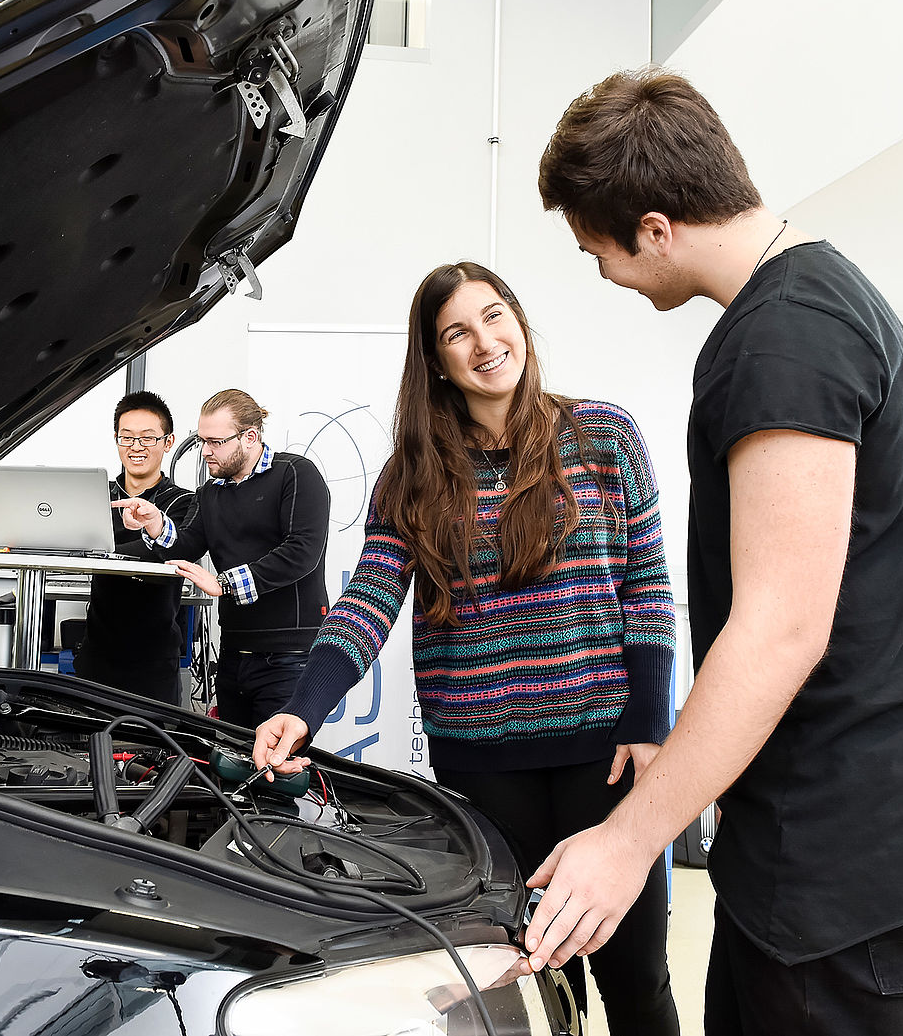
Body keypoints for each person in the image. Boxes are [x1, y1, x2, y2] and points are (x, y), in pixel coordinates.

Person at [523, 67, 903, 1035]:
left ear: (654, 229)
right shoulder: (817, 297)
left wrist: (627, 844)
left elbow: (781, 627)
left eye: (596, 253)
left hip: (834, 844)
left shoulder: (786, 338)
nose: (605, 276)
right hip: (806, 826)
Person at [252, 262, 681, 1035]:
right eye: (458, 332)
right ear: (436, 359)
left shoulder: (605, 436)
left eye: (495, 315)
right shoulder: (411, 477)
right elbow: (370, 600)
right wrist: (302, 710)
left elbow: (647, 584)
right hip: (483, 762)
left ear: (519, 319)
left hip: (606, 754)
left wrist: (650, 720)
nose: (485, 341)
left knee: (635, 970)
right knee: (522, 972)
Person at [114, 389, 330, 728]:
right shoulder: (211, 492)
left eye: (215, 442)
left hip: (290, 656)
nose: (205, 452)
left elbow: (302, 552)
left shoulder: (295, 474)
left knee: (276, 768)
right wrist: (154, 524)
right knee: (232, 762)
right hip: (234, 652)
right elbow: (185, 545)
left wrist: (224, 584)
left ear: (250, 437)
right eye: (202, 441)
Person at [74, 391, 198, 706]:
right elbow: (76, 546)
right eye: (126, 438)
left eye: (147, 438)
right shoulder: (95, 498)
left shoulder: (183, 502)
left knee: (154, 752)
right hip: (96, 655)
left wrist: (109, 549)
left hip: (154, 661)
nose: (136, 447)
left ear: (168, 442)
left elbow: (172, 553)